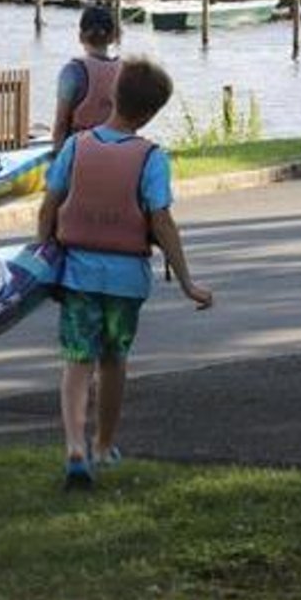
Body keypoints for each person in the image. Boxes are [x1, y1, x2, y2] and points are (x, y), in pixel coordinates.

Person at [37, 56, 212, 491]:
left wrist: (45, 248)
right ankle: (104, 443)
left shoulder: (76, 147)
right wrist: (187, 279)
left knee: (77, 360)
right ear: (151, 113)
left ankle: (74, 446)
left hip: (77, 273)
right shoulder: (151, 158)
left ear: (112, 95)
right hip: (126, 280)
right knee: (114, 361)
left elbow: (50, 205)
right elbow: (161, 221)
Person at [51, 2, 121, 152]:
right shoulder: (125, 71)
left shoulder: (72, 71)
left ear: (81, 36)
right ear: (113, 37)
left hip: (79, 152)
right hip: (117, 151)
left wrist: (58, 159)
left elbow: (61, 123)